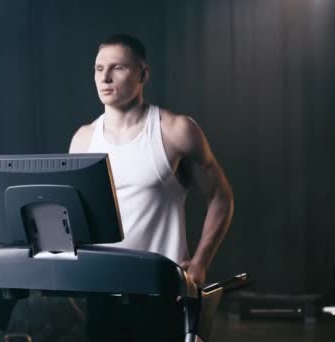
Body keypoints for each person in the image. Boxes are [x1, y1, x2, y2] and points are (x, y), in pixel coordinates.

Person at [68, 33, 234, 341]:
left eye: (117, 67)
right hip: (102, 291)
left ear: (143, 73)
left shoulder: (175, 130)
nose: (104, 77)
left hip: (162, 292)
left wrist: (199, 263)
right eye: (98, 68)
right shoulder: (83, 140)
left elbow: (221, 197)